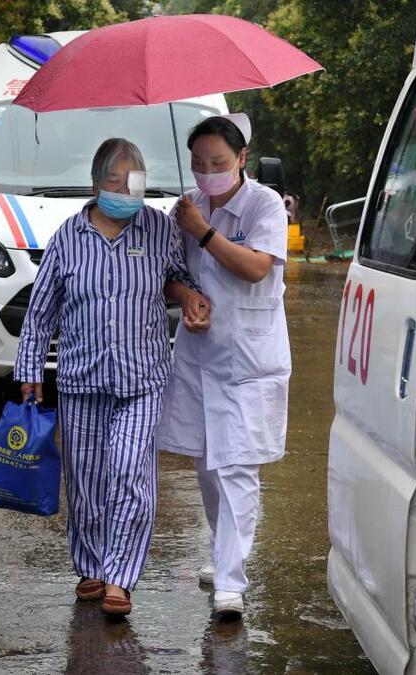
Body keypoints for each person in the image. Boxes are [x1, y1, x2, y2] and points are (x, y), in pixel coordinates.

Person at [14, 138, 210, 617]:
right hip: (82, 379)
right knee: (85, 480)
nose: (125, 189)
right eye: (115, 180)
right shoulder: (67, 237)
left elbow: (182, 278)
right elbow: (41, 312)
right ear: (96, 184)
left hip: (142, 378)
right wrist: (29, 371)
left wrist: (189, 297)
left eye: (134, 180)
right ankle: (92, 566)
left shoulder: (160, 230)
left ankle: (121, 577)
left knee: (129, 472)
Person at [156, 113, 290, 619]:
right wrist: (187, 296)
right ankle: (223, 552)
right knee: (207, 465)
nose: (207, 170)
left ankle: (231, 580)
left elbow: (257, 267)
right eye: (198, 162)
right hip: (198, 352)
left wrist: (204, 231)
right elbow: (170, 273)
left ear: (241, 161)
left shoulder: (264, 204)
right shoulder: (186, 208)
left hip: (250, 355)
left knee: (237, 466)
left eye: (217, 162)